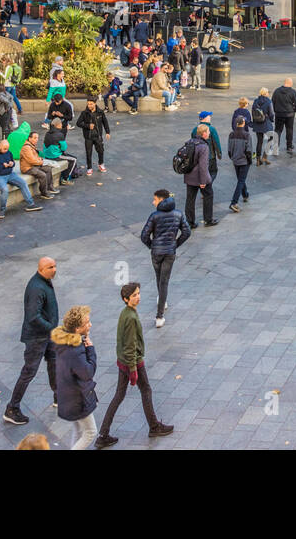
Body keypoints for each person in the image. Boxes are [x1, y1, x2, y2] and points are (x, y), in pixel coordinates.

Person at [94, 283, 174, 448]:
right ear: (126, 299)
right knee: (146, 390)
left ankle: (103, 434)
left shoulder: (126, 313)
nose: (138, 297)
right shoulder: (130, 317)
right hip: (133, 362)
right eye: (134, 295)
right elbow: (130, 345)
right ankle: (154, 426)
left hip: (123, 361)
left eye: (138, 293)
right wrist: (133, 370)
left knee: (119, 396)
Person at [3, 257, 59, 427]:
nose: (54, 269)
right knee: (28, 372)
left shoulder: (45, 281)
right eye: (50, 267)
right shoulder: (37, 287)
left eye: (55, 266)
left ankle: (58, 396)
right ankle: (12, 409)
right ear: (41, 269)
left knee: (54, 361)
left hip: (47, 335)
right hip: (37, 337)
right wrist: (50, 326)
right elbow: (33, 316)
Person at [140, 188, 191, 327]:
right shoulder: (178, 214)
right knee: (164, 281)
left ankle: (161, 307)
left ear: (161, 200)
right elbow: (187, 232)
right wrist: (175, 244)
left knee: (159, 277)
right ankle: (160, 314)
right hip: (169, 252)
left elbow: (144, 235)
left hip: (156, 252)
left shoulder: (154, 216)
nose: (153, 202)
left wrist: (152, 246)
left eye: (155, 199)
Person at [52, 305, 99, 450]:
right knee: (90, 432)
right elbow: (87, 373)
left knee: (79, 430)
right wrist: (90, 350)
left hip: (67, 396)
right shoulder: (74, 350)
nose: (90, 325)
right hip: (77, 398)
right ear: (78, 329)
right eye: (87, 323)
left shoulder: (64, 343)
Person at [0, 138, 43, 220]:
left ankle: (31, 204)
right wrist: (2, 166)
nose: (6, 151)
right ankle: (2, 210)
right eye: (4, 149)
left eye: (7, 149)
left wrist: (12, 164)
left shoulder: (8, 152)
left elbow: (12, 162)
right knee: (4, 189)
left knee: (22, 183)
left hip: (9, 174)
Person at [73, 98, 111, 176]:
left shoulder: (100, 112)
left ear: (95, 104)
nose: (89, 105)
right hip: (88, 137)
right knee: (88, 153)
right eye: (88, 104)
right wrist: (87, 126)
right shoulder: (84, 113)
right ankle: (89, 168)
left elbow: (105, 122)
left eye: (91, 104)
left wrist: (107, 132)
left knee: (101, 150)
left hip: (98, 136)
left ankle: (101, 164)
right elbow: (78, 123)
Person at [18, 131, 59, 200]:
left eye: (37, 138)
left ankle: (50, 187)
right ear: (29, 138)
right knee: (42, 175)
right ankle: (44, 193)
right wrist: (41, 162)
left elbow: (34, 158)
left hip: (33, 165)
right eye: (35, 138)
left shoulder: (31, 145)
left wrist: (41, 160)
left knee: (48, 169)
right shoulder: (26, 148)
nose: (36, 140)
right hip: (27, 168)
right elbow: (31, 160)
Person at [225, 118, 252, 213]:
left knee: (241, 179)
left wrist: (232, 157)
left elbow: (229, 149)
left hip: (235, 160)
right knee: (241, 181)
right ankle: (234, 202)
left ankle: (245, 195)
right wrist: (249, 161)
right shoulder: (246, 135)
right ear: (243, 123)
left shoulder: (231, 134)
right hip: (244, 161)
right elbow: (249, 150)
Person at [272, 78, 296, 155]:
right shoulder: (293, 92)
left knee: (277, 130)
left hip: (279, 114)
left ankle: (275, 147)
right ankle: (289, 146)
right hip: (289, 114)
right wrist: (294, 110)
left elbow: (273, 102)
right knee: (289, 130)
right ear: (290, 83)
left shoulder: (277, 91)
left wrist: (276, 110)